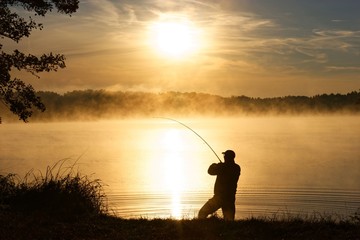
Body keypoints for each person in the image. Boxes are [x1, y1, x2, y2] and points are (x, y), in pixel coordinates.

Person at [198, 150, 241, 220]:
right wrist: (221, 166)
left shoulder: (221, 167)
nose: (224, 157)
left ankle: (202, 227)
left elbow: (210, 171)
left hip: (219, 198)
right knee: (229, 220)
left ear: (226, 157)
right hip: (230, 198)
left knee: (202, 213)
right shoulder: (236, 168)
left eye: (225, 156)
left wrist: (214, 165)